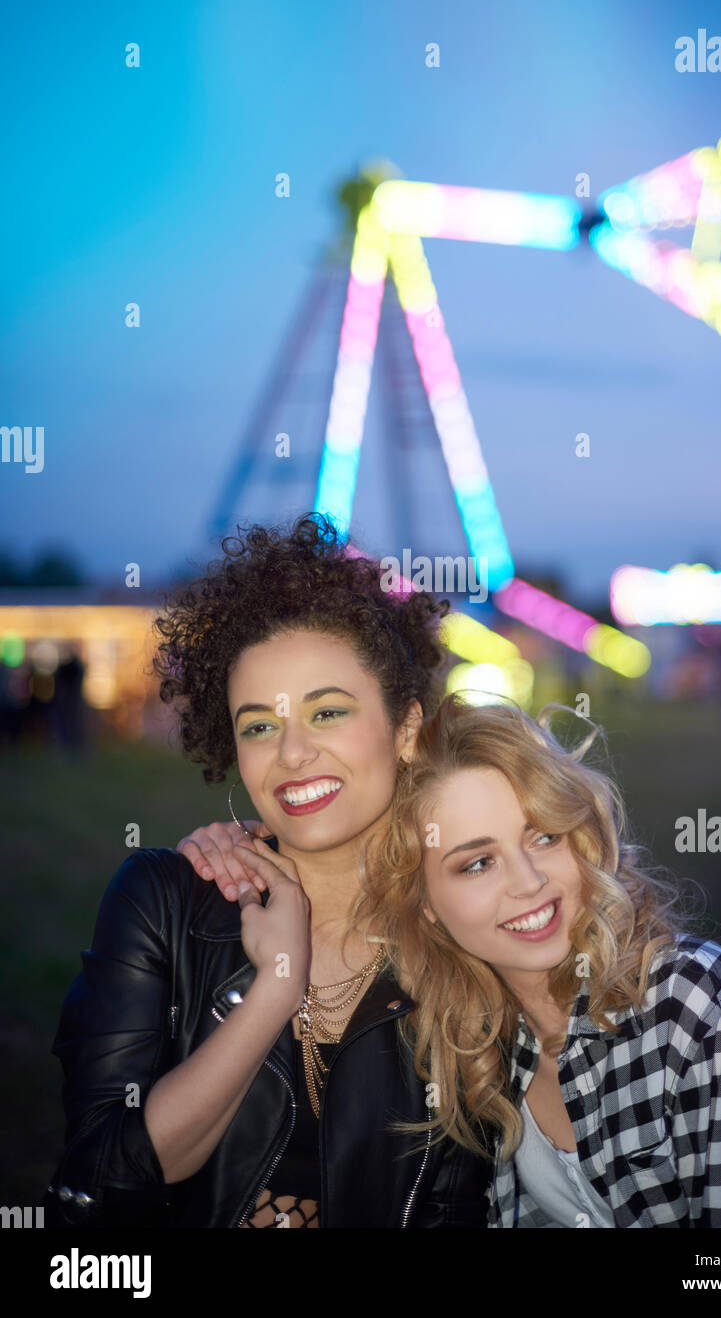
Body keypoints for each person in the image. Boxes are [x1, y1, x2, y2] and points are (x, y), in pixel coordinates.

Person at [44, 515, 491, 1229]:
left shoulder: (468, 929)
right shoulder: (164, 902)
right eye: (258, 725)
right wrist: (275, 988)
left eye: (328, 713)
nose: (290, 754)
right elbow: (101, 1180)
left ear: (405, 729)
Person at [353, 692, 721, 1228]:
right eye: (479, 863)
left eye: (544, 837)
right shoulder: (480, 1045)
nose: (530, 883)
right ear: (425, 904)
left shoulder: (705, 1008)